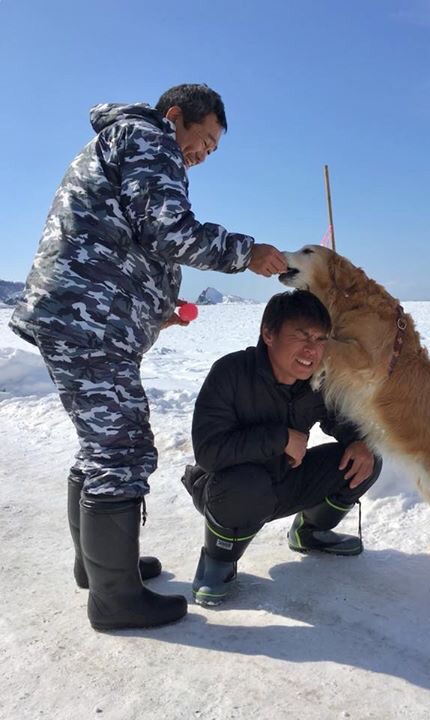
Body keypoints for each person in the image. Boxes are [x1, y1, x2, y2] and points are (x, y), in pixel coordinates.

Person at [9, 83, 287, 631]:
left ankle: (100, 568)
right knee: (122, 446)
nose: (202, 154)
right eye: (203, 139)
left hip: (89, 313)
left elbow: (128, 236)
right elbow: (166, 229)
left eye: (212, 150)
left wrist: (155, 304)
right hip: (87, 317)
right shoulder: (146, 135)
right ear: (176, 116)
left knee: (104, 444)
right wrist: (246, 252)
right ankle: (116, 600)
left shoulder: (132, 142)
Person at [182, 290, 382, 605]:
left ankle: (310, 532)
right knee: (246, 485)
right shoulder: (230, 373)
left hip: (286, 479)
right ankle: (217, 560)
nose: (311, 350)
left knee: (364, 460)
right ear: (269, 334)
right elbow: (209, 452)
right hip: (230, 488)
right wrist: (281, 438)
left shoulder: (318, 380)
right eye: (301, 336)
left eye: (319, 339)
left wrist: (359, 441)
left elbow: (342, 419)